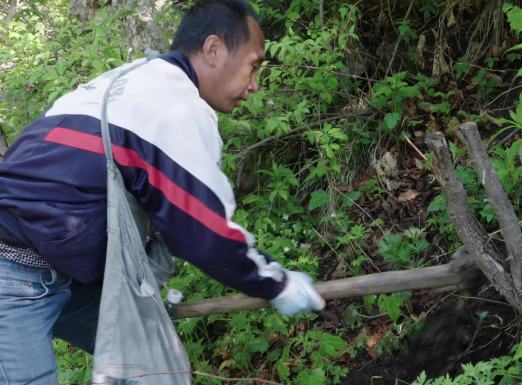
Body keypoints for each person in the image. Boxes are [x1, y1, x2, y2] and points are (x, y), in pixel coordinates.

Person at [0, 1, 325, 383]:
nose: (255, 83)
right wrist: (277, 284)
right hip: (14, 273)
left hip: (65, 272)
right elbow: (205, 234)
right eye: (254, 64)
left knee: (155, 367)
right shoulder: (173, 106)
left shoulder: (126, 82)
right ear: (214, 49)